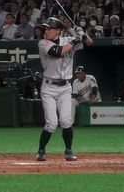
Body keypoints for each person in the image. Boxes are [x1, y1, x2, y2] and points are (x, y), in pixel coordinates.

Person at [35, 17, 93, 162]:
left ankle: (68, 150)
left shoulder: (68, 40)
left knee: (67, 121)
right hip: (49, 88)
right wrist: (76, 39)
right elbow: (57, 51)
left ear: (58, 31)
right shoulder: (43, 43)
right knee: (52, 123)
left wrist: (82, 33)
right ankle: (41, 150)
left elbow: (90, 43)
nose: (46, 31)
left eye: (49, 28)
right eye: (46, 28)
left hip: (65, 87)